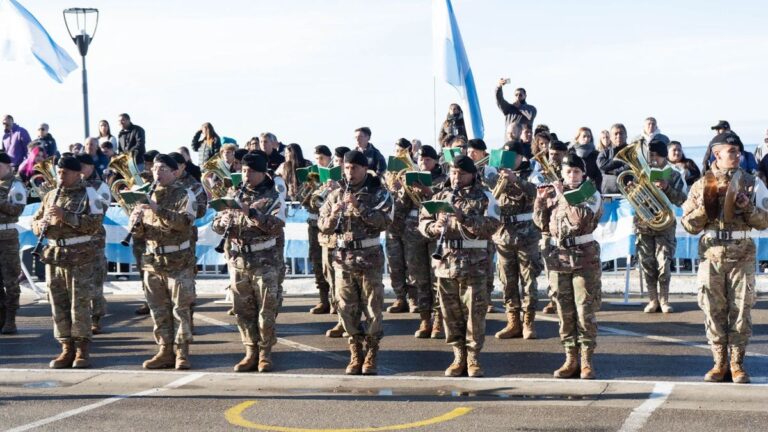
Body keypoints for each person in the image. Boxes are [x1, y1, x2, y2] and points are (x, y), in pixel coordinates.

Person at [681, 132, 768, 384]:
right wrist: (704, 208)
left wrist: (746, 206)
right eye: (731, 151)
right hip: (711, 254)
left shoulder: (753, 183)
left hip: (741, 254)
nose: (737, 155)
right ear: (717, 154)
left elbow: (764, 221)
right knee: (712, 308)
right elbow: (688, 224)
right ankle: (719, 363)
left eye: (738, 151)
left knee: (741, 310)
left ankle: (737, 364)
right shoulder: (701, 185)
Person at [418, 155, 500, 377]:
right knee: (449, 313)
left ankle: (473, 357)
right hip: (446, 263)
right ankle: (458, 356)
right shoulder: (440, 196)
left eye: (461, 173)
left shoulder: (485, 196)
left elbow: (493, 225)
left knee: (474, 312)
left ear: (472, 175)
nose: (456, 177)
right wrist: (434, 227)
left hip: (475, 264)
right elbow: (423, 222)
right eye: (453, 173)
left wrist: (464, 218)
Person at [318, 150, 393, 375]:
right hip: (343, 259)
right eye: (347, 168)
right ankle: (355, 351)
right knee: (345, 309)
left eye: (355, 168)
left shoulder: (378, 193)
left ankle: (371, 352)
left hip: (368, 258)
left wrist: (359, 208)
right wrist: (333, 215)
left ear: (364, 169)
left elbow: (385, 221)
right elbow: (323, 226)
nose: (350, 172)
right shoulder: (335, 195)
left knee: (372, 307)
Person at [212, 153, 285, 372]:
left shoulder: (274, 195)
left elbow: (276, 225)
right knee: (242, 309)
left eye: (251, 171)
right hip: (239, 260)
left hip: (265, 261)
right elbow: (216, 224)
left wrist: (251, 212)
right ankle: (250, 351)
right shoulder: (233, 193)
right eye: (244, 171)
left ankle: (265, 353)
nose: (246, 175)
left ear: (263, 173)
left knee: (266, 309)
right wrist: (221, 221)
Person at [534, 153, 603, 379]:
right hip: (559, 258)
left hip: (584, 258)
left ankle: (586, 360)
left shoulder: (590, 194)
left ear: (583, 174)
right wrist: (541, 202)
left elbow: (580, 220)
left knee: (584, 309)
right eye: (567, 172)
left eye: (576, 172)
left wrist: (563, 197)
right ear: (561, 174)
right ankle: (570, 357)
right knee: (564, 310)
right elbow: (542, 224)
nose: (572, 176)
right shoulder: (555, 194)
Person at [31, 154, 104, 368]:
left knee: (79, 304)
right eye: (59, 172)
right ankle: (65, 347)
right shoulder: (51, 195)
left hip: (80, 256)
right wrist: (40, 224)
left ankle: (82, 349)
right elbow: (34, 221)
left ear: (77, 173)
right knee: (58, 304)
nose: (60, 177)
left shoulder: (90, 194)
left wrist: (66, 216)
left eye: (65, 173)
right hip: (55, 256)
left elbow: (95, 224)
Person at [130, 154, 198, 370]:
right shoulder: (146, 195)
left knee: (180, 309)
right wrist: (136, 222)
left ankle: (182, 353)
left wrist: (157, 209)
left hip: (178, 261)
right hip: (153, 260)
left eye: (162, 169)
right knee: (158, 309)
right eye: (155, 169)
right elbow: (140, 234)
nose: (157, 173)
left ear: (175, 172)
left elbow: (184, 223)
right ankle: (164, 350)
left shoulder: (185, 194)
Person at [493, 142, 542, 340]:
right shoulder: (496, 174)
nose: (508, 159)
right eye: (505, 155)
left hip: (526, 234)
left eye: (512, 156)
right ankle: (513, 321)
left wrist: (516, 180)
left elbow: (537, 192)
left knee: (528, 280)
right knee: (507, 281)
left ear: (521, 157)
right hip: (503, 233)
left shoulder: (532, 173)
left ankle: (529, 321)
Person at [401, 145, 447, 338]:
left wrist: (428, 191)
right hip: (414, 232)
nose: (423, 163)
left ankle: (439, 320)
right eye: (420, 159)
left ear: (435, 161)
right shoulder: (414, 177)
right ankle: (425, 319)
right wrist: (402, 190)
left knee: (437, 277)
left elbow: (444, 201)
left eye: (427, 159)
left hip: (436, 230)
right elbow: (402, 207)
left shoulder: (444, 180)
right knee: (419, 278)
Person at [636, 140, 687, 314]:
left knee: (663, 263)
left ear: (663, 156)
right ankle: (652, 300)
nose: (651, 160)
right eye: (649, 156)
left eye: (654, 156)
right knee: (647, 263)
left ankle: (664, 300)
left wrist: (667, 188)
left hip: (665, 225)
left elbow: (682, 199)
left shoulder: (674, 174)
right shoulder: (641, 172)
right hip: (644, 223)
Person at [76, 154, 111, 334]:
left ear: (90, 167)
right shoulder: (69, 187)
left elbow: (101, 210)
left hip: (94, 239)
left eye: (83, 166)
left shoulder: (100, 186)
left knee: (95, 281)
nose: (80, 170)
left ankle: (96, 318)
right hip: (74, 242)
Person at [384, 139, 418, 315]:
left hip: (409, 226)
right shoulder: (388, 174)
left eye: (402, 151)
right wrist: (391, 189)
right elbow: (382, 198)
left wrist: (403, 186)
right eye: (396, 151)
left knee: (411, 264)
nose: (398, 154)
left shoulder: (413, 171)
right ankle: (400, 298)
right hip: (392, 226)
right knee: (395, 264)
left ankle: (413, 299)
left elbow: (415, 200)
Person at [465, 139, 499, 313]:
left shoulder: (489, 170)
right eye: (469, 151)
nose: (471, 154)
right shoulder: (463, 170)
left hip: (485, 219)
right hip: (466, 222)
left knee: (487, 262)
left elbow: (494, 189)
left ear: (483, 154)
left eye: (475, 152)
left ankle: (487, 297)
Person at [321, 146, 350, 338]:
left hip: (344, 240)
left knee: (345, 286)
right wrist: (324, 191)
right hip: (327, 238)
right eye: (336, 163)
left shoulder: (350, 187)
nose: (337, 166)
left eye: (341, 163)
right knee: (331, 279)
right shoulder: (328, 185)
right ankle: (340, 318)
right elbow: (314, 206)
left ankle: (347, 321)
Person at [0, 152, 27, 334]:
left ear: (8, 166)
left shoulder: (16, 185)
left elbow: (16, 209)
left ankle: (11, 319)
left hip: (7, 236)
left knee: (10, 280)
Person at [305, 145, 333, 314]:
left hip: (329, 226)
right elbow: (303, 201)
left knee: (330, 263)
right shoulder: (313, 175)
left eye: (322, 158)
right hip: (314, 224)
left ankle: (334, 300)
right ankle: (323, 299)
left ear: (329, 158)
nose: (319, 162)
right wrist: (308, 189)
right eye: (316, 159)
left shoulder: (334, 176)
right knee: (316, 261)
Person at [597, 124, 630, 195]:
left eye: (621, 133)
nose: (618, 136)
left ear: (626, 135)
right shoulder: (605, 153)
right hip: (608, 194)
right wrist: (620, 161)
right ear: (611, 137)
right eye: (616, 134)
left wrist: (614, 171)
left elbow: (630, 166)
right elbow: (601, 166)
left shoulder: (632, 153)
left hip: (628, 192)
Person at [570, 127, 602, 191]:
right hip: (573, 187)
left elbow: (599, 174)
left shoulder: (596, 154)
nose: (586, 139)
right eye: (584, 136)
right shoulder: (571, 153)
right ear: (577, 138)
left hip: (592, 188)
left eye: (589, 136)